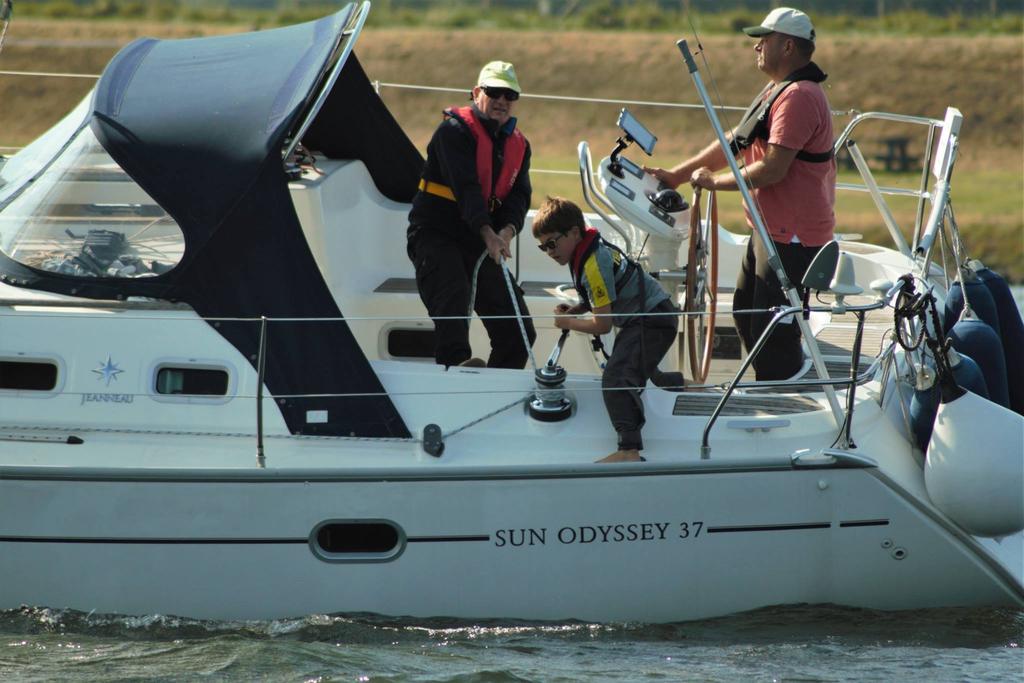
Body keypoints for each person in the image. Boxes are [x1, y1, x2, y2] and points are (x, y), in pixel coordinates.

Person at [645, 7, 836, 381]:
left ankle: (783, 400)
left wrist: (714, 183)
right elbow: (735, 142)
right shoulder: (777, 90)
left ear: (788, 47)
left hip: (790, 237)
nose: (757, 47)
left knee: (772, 331)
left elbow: (773, 169)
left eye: (764, 39)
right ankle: (771, 387)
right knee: (746, 312)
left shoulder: (798, 97)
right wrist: (679, 175)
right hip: (769, 230)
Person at [533, 197, 682, 464]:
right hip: (655, 314)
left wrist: (567, 323)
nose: (549, 251)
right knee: (646, 371)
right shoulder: (589, 251)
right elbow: (603, 295)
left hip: (651, 319)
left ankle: (629, 451)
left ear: (575, 233)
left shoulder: (592, 263)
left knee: (616, 378)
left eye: (552, 243)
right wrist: (577, 310)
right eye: (543, 247)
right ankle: (694, 390)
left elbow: (602, 326)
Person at [407, 60, 536, 369]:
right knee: (453, 306)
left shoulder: (520, 145)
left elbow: (519, 195)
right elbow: (466, 188)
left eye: (510, 94)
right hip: (437, 234)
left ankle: (494, 394)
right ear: (477, 92)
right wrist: (488, 232)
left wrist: (506, 231)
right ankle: (455, 384)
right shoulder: (452, 132)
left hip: (483, 241)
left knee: (520, 333)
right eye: (494, 92)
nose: (502, 101)